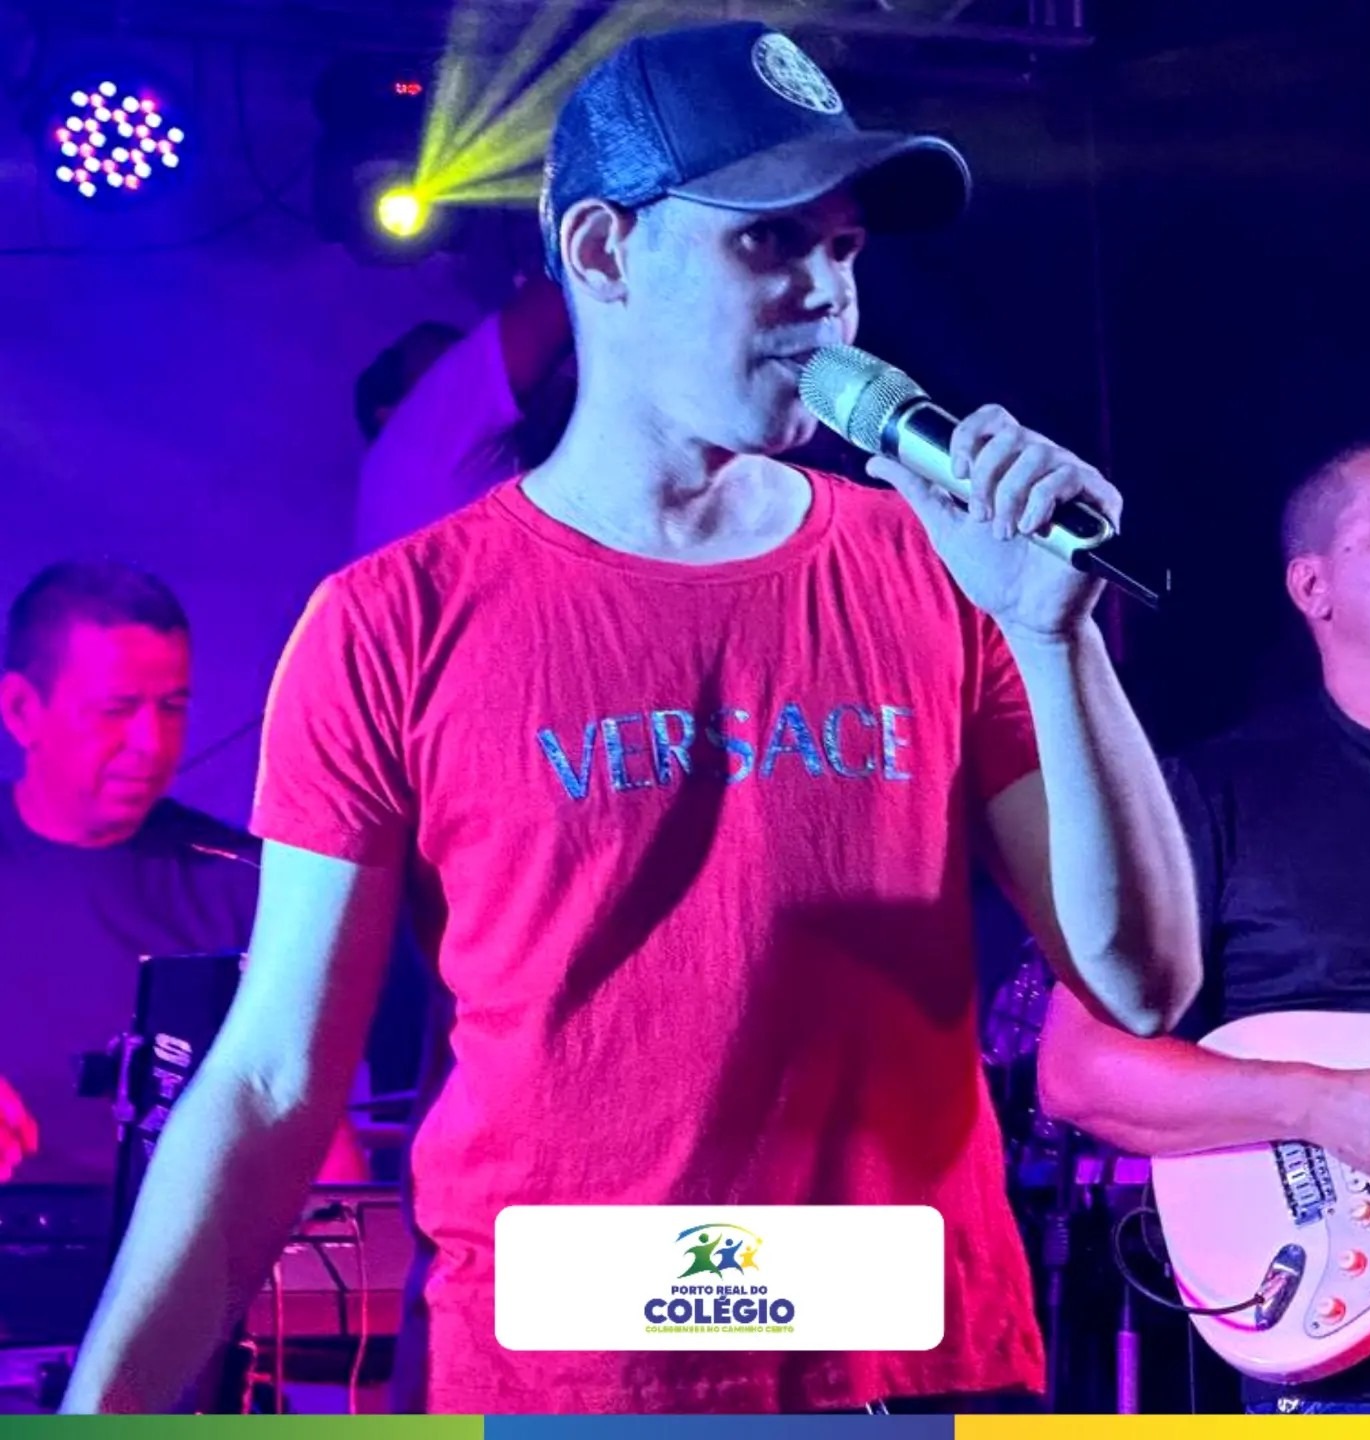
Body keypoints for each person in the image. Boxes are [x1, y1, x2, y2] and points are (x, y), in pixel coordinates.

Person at [60, 21, 1201, 1415]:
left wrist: (1050, 633)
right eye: (770, 241)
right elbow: (272, 1079)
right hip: (568, 1379)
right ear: (602, 252)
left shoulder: (938, 571)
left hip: (908, 1368)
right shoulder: (391, 622)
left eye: (844, 249)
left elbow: (1143, 984)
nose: (827, 295)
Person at [1037, 439, 1370, 1414]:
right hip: (1369, 1337)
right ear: (1313, 586)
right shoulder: (1213, 795)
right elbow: (1080, 1069)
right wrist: (1318, 1106)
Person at [0, 560, 366, 1188]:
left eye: (172, 707)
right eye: (117, 709)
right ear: (22, 710)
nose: (152, 742)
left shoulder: (239, 882)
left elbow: (305, 1117)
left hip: (172, 1243)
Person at [352, 277, 573, 555]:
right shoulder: (410, 437)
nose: (456, 370)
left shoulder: (390, 502)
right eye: (440, 369)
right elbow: (550, 306)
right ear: (386, 414)